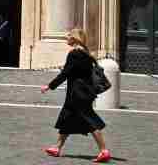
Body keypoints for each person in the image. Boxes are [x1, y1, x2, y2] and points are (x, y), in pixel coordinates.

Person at [39, 28, 110, 162]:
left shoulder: (74, 54)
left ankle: (104, 150)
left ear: (75, 38)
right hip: (84, 92)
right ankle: (57, 147)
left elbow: (65, 73)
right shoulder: (86, 53)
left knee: (90, 120)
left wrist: (49, 86)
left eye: (69, 36)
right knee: (67, 117)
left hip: (77, 93)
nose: (67, 38)